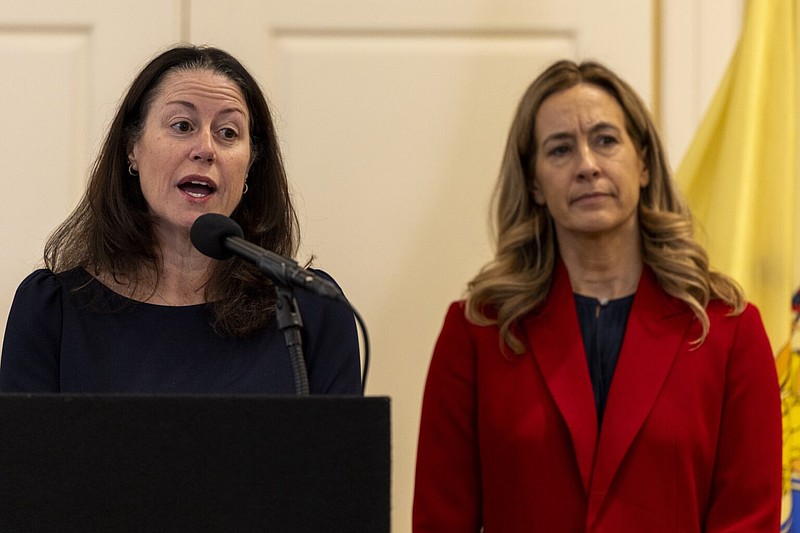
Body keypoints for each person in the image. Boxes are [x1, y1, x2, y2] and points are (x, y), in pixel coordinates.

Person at [413, 60, 781, 532]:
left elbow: (748, 521)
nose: (587, 165)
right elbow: (441, 520)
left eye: (606, 140)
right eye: (560, 149)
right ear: (534, 183)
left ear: (643, 162)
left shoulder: (727, 329)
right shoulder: (478, 332)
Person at [0, 45, 361, 395]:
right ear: (132, 148)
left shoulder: (311, 313)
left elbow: (342, 457)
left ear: (250, 165)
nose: (205, 148)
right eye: (182, 125)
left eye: (228, 133)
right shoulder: (52, 311)